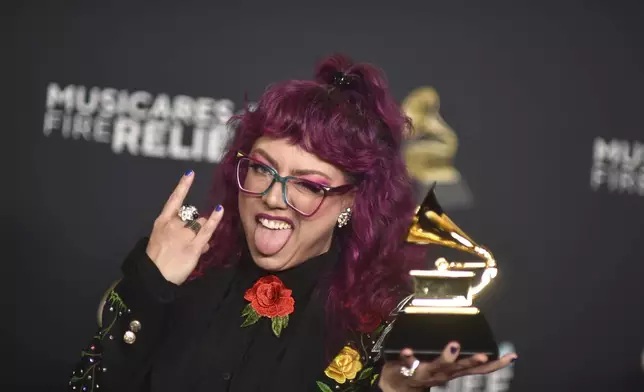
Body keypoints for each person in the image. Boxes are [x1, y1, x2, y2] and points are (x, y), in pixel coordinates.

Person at [67, 54, 517, 392]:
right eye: (263, 169)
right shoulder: (185, 270)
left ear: (353, 201)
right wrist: (149, 287)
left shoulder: (378, 325)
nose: (272, 197)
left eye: (309, 185)